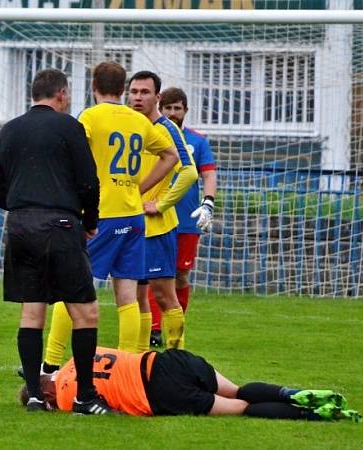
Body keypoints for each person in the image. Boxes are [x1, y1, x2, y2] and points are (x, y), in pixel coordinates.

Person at [41, 62, 182, 373]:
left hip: (103, 214)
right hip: (133, 216)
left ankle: (50, 362)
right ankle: (128, 366)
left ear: (94, 86)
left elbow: (71, 152)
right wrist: (138, 186)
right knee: (128, 293)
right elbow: (171, 156)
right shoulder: (138, 120)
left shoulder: (90, 117)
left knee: (74, 287)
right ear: (123, 89)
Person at [0, 69, 111, 415]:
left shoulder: (8, 130)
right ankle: (85, 397)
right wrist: (89, 222)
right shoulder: (69, 126)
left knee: (32, 311)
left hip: (20, 225)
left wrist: (23, 208)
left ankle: (36, 397)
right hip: (60, 224)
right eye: (67, 95)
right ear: (60, 94)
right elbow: (89, 181)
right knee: (85, 311)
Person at [20, 346, 362, 422]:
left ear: (47, 396)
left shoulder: (66, 399)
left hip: (159, 392)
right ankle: (291, 392)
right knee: (238, 390)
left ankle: (317, 416)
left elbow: (108, 413)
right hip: (167, 360)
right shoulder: (78, 355)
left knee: (242, 409)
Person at [127, 72, 198, 350]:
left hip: (157, 226)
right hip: (132, 223)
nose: (137, 97)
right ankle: (140, 356)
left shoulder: (166, 128)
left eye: (144, 92)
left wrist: (162, 203)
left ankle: (176, 354)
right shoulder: (131, 127)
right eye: (133, 92)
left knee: (164, 295)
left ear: (157, 97)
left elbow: (189, 173)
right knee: (135, 294)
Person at [152, 87, 218, 346]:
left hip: (186, 221)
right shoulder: (151, 136)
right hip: (156, 215)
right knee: (152, 275)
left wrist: (208, 203)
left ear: (185, 111)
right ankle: (155, 329)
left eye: (177, 108)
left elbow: (208, 174)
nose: (172, 113)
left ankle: (176, 323)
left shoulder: (197, 141)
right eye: (167, 108)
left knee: (180, 274)